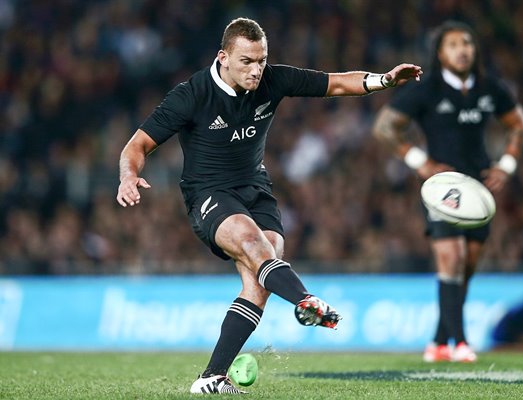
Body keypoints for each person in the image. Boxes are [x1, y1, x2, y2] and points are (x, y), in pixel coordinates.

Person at [116, 17, 422, 394]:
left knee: (262, 273)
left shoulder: (273, 79)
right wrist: (128, 176)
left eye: (261, 60)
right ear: (223, 58)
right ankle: (307, 300)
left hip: (256, 190)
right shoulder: (191, 94)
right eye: (247, 61)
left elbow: (337, 82)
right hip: (208, 194)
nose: (256, 70)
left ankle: (211, 377)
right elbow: (137, 145)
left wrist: (384, 80)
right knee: (253, 244)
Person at [373, 20, 523, 363]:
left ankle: (438, 340)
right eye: (454, 44)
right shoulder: (426, 89)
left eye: (468, 43)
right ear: (440, 53)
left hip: (479, 190)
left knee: (467, 266)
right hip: (442, 189)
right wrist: (420, 162)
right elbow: (385, 126)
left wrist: (507, 165)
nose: (463, 50)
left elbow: (518, 124)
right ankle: (460, 342)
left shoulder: (491, 88)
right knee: (451, 257)